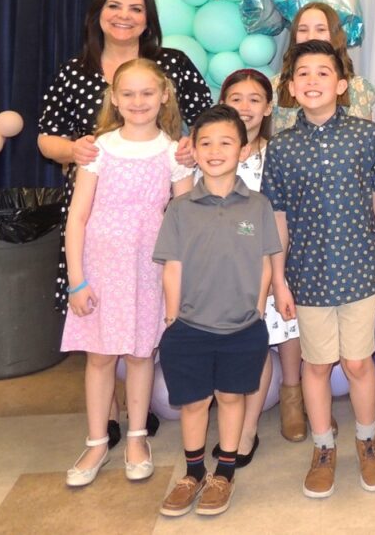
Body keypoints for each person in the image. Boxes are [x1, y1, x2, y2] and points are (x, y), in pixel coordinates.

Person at [263, 40, 375, 498]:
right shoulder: (282, 148)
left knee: (359, 361)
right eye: (302, 73)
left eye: (322, 73)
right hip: (307, 277)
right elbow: (278, 218)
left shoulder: (366, 136)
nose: (311, 81)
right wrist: (278, 278)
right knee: (317, 364)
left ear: (342, 84)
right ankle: (324, 447)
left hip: (362, 270)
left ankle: (367, 441)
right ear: (289, 86)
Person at [37, 0, 211, 318]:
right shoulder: (74, 71)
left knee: (154, 305)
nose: (124, 16)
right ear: (97, 14)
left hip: (157, 207)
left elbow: (209, 118)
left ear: (148, 20)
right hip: (94, 209)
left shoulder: (172, 64)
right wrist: (73, 151)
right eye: (114, 6)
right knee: (100, 312)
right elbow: (46, 138)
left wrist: (194, 144)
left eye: (136, 8)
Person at [60, 58, 194, 487]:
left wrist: (180, 282)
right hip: (100, 270)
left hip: (148, 271)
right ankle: (98, 440)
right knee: (100, 357)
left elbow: (187, 219)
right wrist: (77, 280)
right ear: (114, 99)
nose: (139, 102)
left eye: (147, 93)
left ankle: (137, 436)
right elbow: (76, 218)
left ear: (164, 96)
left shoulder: (174, 152)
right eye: (129, 94)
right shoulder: (98, 150)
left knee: (140, 355)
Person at [155, 105, 280, 517]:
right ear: (194, 148)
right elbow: (172, 267)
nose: (214, 150)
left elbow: (265, 263)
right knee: (193, 403)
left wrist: (258, 311)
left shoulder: (258, 206)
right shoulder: (180, 208)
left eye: (226, 142)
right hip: (189, 325)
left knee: (231, 397)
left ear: (242, 150)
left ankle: (224, 473)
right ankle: (192, 473)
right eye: (205, 142)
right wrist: (173, 320)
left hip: (243, 327)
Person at [204, 69, 301, 465]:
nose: (244, 107)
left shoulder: (276, 154)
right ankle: (229, 420)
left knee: (258, 346)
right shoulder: (206, 151)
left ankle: (247, 432)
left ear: (269, 106)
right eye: (235, 98)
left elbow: (282, 219)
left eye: (254, 99)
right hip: (215, 273)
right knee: (231, 351)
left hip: (265, 269)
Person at [272, 1, 375, 130]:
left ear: (334, 35)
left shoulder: (357, 87)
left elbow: (366, 144)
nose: (311, 36)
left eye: (320, 29)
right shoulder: (275, 86)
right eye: (303, 30)